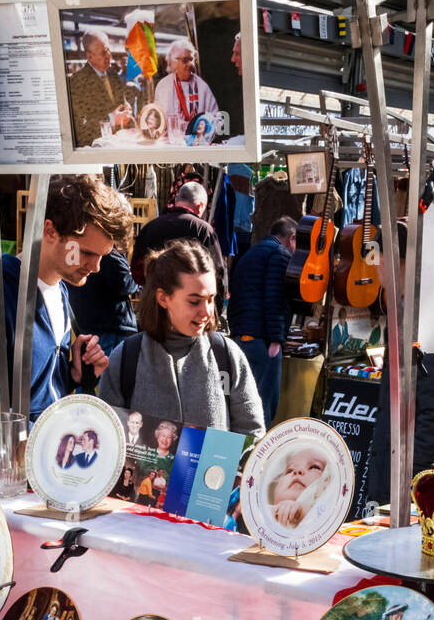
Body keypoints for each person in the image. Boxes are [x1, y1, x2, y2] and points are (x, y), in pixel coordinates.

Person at [0, 175, 132, 467]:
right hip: (2, 479)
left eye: (103, 256)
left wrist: (74, 375)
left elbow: (40, 388)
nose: (96, 266)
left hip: (49, 470)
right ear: (49, 230)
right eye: (86, 252)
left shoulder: (61, 291)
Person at [99, 239, 264, 438]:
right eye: (194, 301)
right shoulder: (126, 358)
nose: (206, 311)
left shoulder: (227, 355)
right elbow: (108, 436)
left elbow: (251, 433)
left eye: (211, 299)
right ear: (163, 299)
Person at [367, 220, 434, 507]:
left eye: (378, 260)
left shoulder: (428, 315)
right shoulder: (411, 309)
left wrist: (411, 474)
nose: (376, 268)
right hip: (400, 475)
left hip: (413, 486)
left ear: (399, 261)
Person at [228, 216, 297, 427]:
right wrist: (277, 339)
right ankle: (259, 456)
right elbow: (276, 298)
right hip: (262, 341)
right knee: (263, 406)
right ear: (292, 238)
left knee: (242, 404)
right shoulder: (280, 254)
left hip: (241, 336)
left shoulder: (252, 253)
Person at [131, 181, 225, 310]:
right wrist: (215, 310)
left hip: (156, 306)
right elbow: (217, 273)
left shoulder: (150, 227)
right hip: (192, 308)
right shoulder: (203, 229)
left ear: (176, 200)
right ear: (200, 206)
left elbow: (137, 272)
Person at [66, 248, 138, 356]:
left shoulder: (74, 252)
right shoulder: (106, 251)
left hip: (86, 322)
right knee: (115, 368)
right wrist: (137, 281)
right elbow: (123, 283)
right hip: (112, 325)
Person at [68, 31, 133, 146]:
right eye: (103, 53)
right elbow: (81, 128)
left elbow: (120, 103)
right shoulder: (76, 83)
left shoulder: (114, 76)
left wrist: (126, 108)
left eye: (108, 50)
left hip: (120, 142)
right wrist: (112, 120)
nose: (109, 56)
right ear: (89, 56)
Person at [154, 39, 219, 125]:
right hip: (171, 137)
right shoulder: (163, 86)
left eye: (191, 59)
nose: (190, 64)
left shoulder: (202, 86)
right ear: (173, 62)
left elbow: (216, 118)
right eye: (185, 60)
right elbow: (157, 118)